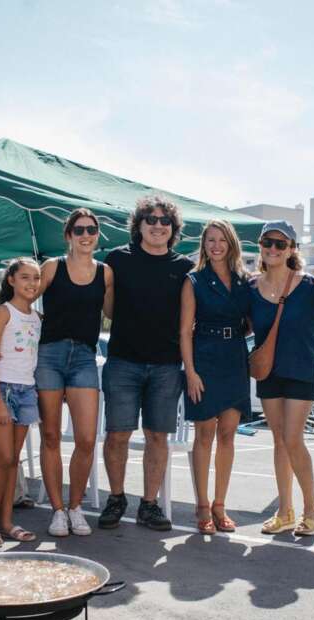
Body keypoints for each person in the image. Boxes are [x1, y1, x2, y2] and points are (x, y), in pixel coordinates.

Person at [99, 195, 193, 531]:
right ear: (138, 225)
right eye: (150, 220)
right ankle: (116, 497)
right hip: (123, 362)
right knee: (117, 435)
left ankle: (149, 504)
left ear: (173, 229)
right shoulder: (116, 260)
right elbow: (108, 310)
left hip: (167, 366)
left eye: (164, 221)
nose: (157, 226)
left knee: (157, 437)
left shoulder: (185, 268)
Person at [36, 208, 113, 537]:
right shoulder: (53, 266)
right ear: (68, 235)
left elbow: (115, 313)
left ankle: (76, 507)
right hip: (49, 355)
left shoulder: (106, 273)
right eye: (79, 230)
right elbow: (24, 299)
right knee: (51, 436)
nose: (86, 235)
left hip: (84, 356)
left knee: (86, 439)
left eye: (91, 230)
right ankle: (57, 511)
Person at [249, 221, 314, 537]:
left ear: (293, 249)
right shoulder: (251, 288)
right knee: (279, 440)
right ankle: (285, 511)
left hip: (301, 371)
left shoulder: (310, 287)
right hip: (270, 373)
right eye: (268, 242)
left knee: (293, 439)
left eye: (281, 244)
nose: (273, 249)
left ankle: (311, 509)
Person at [180, 220, 251, 534]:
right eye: (210, 240)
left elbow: (249, 322)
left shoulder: (243, 281)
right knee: (204, 436)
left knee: (228, 436)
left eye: (222, 240)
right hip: (204, 359)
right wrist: (191, 372)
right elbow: (184, 331)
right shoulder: (193, 280)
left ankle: (221, 506)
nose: (216, 245)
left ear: (231, 243)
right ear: (204, 245)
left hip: (235, 358)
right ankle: (202, 506)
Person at [0, 258, 42, 548]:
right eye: (25, 277)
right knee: (2, 457)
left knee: (14, 459)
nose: (31, 283)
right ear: (11, 280)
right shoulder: (3, 312)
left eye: (36, 278)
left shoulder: (37, 318)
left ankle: (6, 522)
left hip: (27, 391)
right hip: (1, 390)